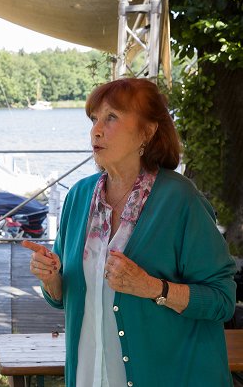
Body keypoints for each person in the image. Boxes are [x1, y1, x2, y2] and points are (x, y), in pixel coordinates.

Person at [22, 78, 236, 386]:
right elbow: (62, 298)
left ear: (147, 131)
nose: (96, 130)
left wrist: (151, 287)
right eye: (95, 119)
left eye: (112, 118)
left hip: (171, 375)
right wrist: (51, 276)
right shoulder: (79, 197)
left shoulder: (180, 200)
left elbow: (222, 299)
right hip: (89, 376)